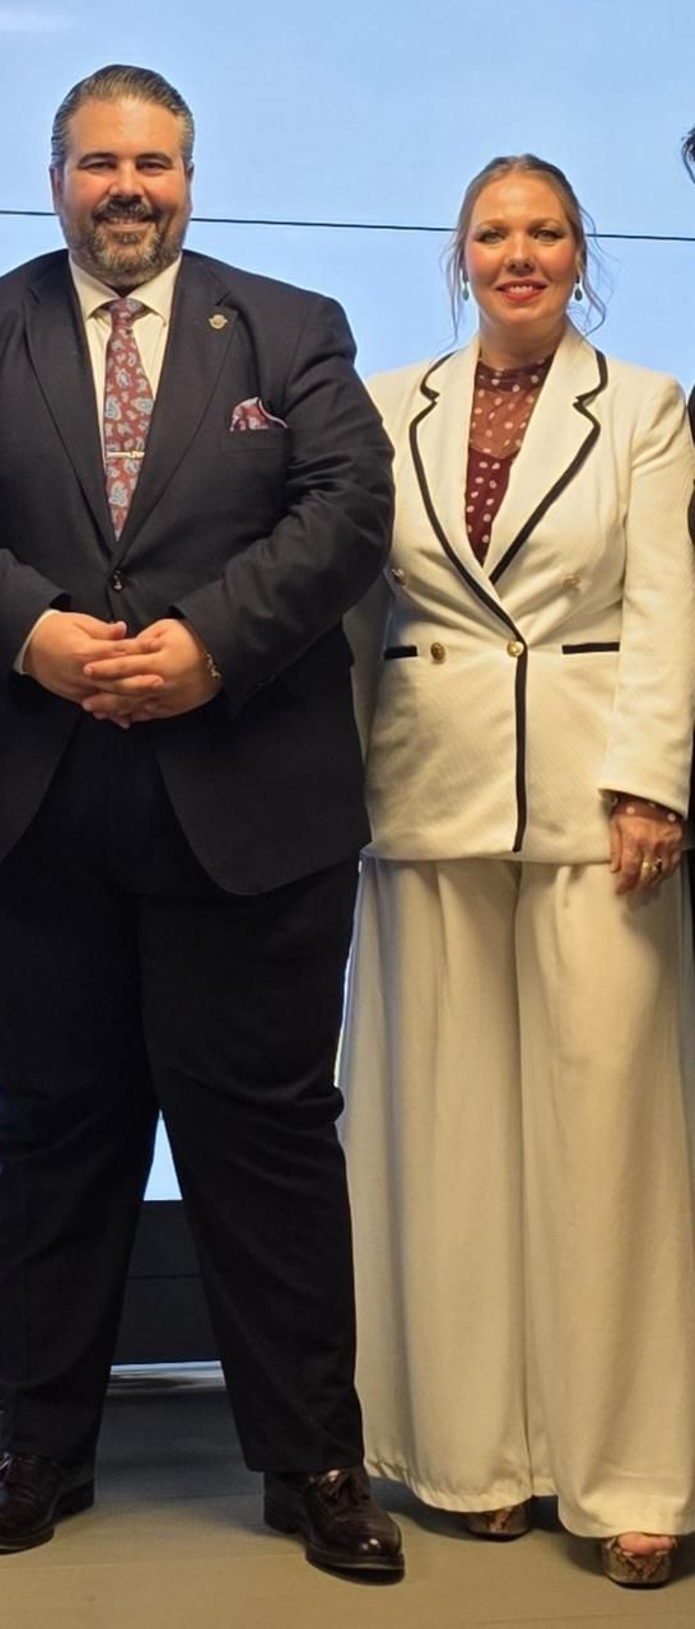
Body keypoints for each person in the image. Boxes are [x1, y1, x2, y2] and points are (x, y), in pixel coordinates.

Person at [0, 64, 402, 1579]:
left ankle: (313, 1461)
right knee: (50, 1138)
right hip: (33, 814)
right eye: (99, 162)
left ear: (190, 177)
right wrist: (33, 631)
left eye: (153, 163)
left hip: (249, 810)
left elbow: (348, 508)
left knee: (271, 1147)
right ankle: (38, 1448)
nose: (127, 188)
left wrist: (211, 642)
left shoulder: (291, 327)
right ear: (56, 178)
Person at [342, 154, 695, 1589]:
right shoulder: (389, 406)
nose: (520, 254)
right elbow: (353, 607)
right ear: (460, 254)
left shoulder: (647, 408)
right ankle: (471, 1456)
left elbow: (668, 601)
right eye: (494, 233)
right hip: (425, 795)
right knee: (446, 1133)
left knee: (611, 1136)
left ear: (580, 254)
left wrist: (654, 780)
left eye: (546, 231)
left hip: (600, 805)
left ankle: (631, 1475)